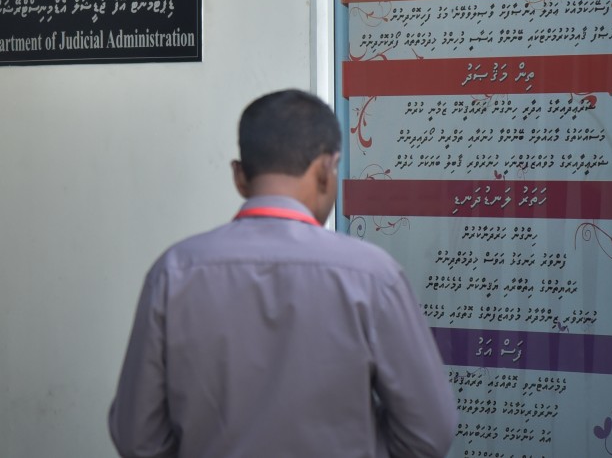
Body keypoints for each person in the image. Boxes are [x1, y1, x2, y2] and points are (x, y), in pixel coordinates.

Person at [109, 89, 457, 457]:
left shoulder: (174, 272)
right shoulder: (373, 277)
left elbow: (137, 437)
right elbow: (429, 433)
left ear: (239, 176)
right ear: (325, 171)